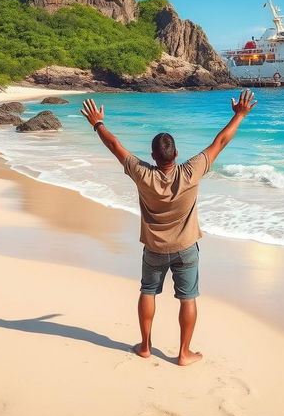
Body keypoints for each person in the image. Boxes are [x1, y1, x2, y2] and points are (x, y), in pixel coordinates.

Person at [80, 89, 257, 366]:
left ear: (153, 154)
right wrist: (240, 115)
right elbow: (220, 141)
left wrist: (97, 123)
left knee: (148, 292)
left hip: (154, 249)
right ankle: (184, 354)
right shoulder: (191, 171)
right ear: (176, 153)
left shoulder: (142, 174)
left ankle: (146, 347)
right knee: (187, 299)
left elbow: (115, 146)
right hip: (186, 248)